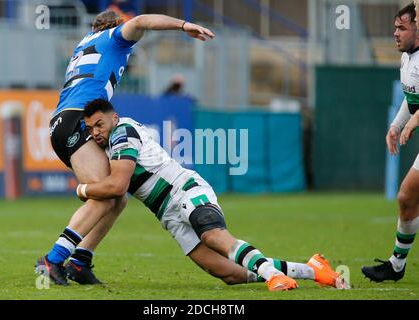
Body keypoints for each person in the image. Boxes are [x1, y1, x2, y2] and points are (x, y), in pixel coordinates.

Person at [75, 98, 350, 291]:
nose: (96, 132)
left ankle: (273, 276)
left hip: (183, 190)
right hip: (167, 213)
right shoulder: (112, 142)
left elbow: (117, 186)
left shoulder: (122, 131)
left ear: (113, 117)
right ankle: (314, 270)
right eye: (90, 129)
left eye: (99, 124)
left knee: (213, 235)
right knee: (228, 273)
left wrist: (82, 189)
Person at [35, 10, 216, 286]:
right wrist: (184, 25)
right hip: (78, 120)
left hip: (63, 122)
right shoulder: (115, 38)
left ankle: (80, 261)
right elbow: (142, 21)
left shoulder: (85, 42)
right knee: (107, 194)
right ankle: (53, 259)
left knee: (117, 198)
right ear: (117, 26)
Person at [361, 2, 419, 282]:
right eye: (395, 27)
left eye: (402, 27)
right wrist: (396, 126)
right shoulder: (407, 59)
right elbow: (412, 99)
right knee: (406, 199)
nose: (395, 33)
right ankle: (396, 265)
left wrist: (413, 122)